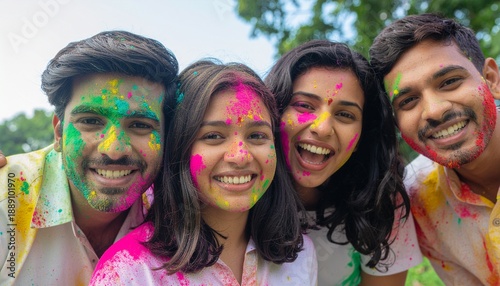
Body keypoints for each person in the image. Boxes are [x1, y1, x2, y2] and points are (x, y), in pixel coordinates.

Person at [89, 59, 318, 285]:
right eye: (213, 136)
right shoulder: (127, 271)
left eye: (257, 136)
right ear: (179, 148)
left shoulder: (301, 254)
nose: (240, 156)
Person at [0, 30, 178, 285]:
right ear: (59, 133)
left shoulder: (178, 213)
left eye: (140, 125)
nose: (114, 149)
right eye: (91, 121)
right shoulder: (8, 201)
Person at [265, 39, 422, 285]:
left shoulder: (383, 202)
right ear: (273, 112)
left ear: (361, 136)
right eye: (304, 105)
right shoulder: (239, 195)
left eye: (345, 115)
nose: (323, 128)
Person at [369, 13, 500, 285]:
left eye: (449, 81)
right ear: (396, 123)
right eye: (408, 101)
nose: (435, 111)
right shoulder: (415, 202)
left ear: (491, 79)